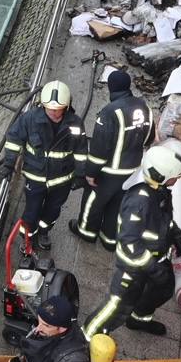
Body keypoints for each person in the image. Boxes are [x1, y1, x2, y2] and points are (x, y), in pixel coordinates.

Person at [82, 145, 181, 339]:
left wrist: (176, 236)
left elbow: (165, 220)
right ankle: (87, 337)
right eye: (175, 177)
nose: (177, 180)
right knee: (117, 306)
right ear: (160, 176)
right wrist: (154, 268)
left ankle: (139, 320)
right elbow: (130, 244)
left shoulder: (161, 191)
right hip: (135, 267)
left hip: (156, 258)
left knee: (162, 290)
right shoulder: (139, 201)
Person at [0, 81, 86, 251]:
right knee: (31, 212)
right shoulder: (29, 119)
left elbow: (81, 150)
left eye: (57, 108)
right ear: (43, 104)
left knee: (53, 211)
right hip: (35, 178)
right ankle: (27, 240)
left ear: (66, 106)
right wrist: (8, 164)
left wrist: (80, 174)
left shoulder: (75, 124)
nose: (53, 111)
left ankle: (44, 232)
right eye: (49, 108)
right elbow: (14, 141)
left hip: (61, 181)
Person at [70, 70, 152, 249]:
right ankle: (109, 240)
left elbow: (100, 149)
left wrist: (90, 173)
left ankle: (86, 232)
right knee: (117, 206)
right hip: (132, 170)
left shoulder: (109, 112)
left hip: (109, 172)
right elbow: (149, 138)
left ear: (111, 87)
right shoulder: (143, 107)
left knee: (93, 202)